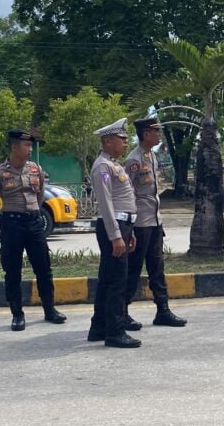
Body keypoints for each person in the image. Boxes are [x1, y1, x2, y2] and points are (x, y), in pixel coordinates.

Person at [0, 129, 66, 332]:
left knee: (44, 268)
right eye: (26, 145)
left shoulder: (36, 169)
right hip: (12, 225)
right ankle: (17, 314)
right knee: (12, 271)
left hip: (34, 224)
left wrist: (35, 213)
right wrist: (1, 224)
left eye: (31, 145)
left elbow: (39, 195)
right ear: (14, 147)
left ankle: (49, 309)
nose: (30, 149)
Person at [123, 118, 186, 329]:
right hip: (140, 222)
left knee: (157, 267)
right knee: (133, 269)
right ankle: (122, 311)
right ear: (146, 133)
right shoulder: (133, 160)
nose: (159, 135)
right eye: (155, 131)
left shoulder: (152, 156)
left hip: (154, 221)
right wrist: (130, 223)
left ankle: (163, 310)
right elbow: (127, 192)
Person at [87, 118, 141, 348]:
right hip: (115, 227)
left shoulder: (113, 164)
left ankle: (99, 327)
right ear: (108, 141)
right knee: (117, 281)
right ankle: (115, 331)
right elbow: (106, 204)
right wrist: (116, 235)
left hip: (123, 225)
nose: (125, 142)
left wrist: (128, 232)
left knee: (108, 279)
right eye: (121, 139)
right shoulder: (103, 167)